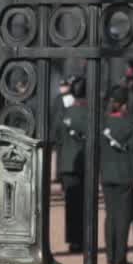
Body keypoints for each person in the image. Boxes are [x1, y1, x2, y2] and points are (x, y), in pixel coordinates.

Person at [101, 86, 133, 264]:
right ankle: (120, 256)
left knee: (110, 216)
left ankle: (110, 255)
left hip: (107, 175)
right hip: (124, 176)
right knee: (123, 217)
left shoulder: (103, 124)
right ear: (123, 106)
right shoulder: (130, 126)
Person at [57, 76, 90, 252]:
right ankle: (83, 239)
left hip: (68, 163)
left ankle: (73, 239)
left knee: (71, 206)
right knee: (85, 205)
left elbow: (57, 136)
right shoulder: (89, 113)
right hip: (85, 163)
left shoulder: (66, 113)